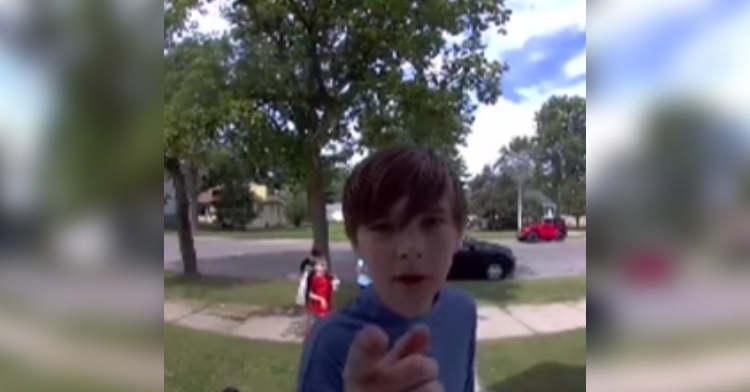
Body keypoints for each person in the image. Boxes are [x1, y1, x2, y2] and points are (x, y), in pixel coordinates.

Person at [296, 146, 476, 392]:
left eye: (431, 222)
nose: (409, 249)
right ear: (356, 244)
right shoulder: (329, 342)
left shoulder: (463, 312)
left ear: (459, 234)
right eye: (383, 227)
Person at [305, 257, 336, 334]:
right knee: (319, 328)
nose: (324, 267)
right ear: (316, 267)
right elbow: (310, 294)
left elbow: (332, 290)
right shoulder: (315, 279)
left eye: (325, 265)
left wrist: (335, 286)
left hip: (328, 307)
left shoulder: (328, 278)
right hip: (318, 308)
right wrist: (321, 299)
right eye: (321, 265)